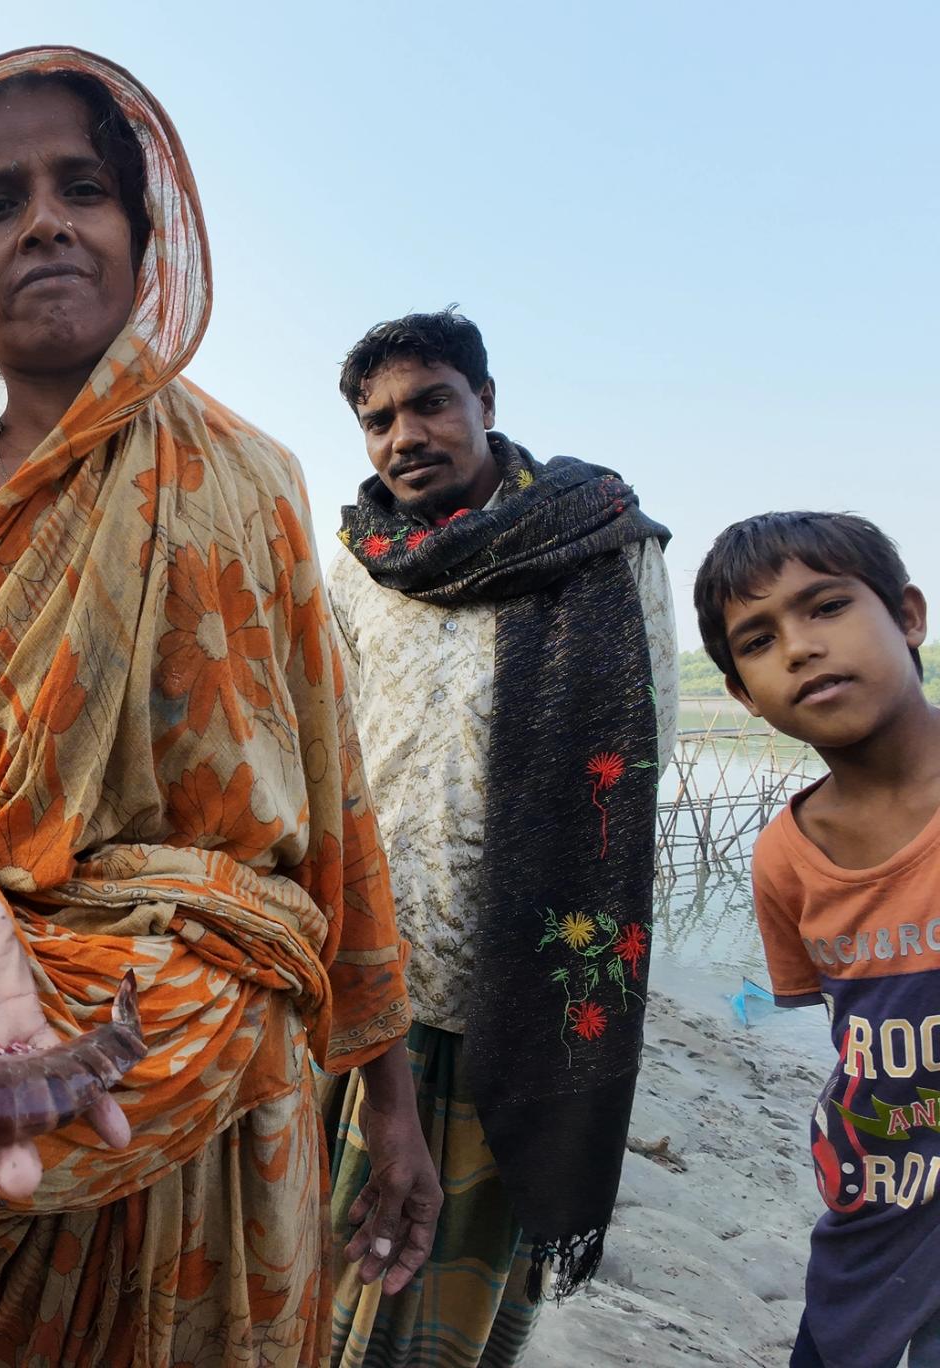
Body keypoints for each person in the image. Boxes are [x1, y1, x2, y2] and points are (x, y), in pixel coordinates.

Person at [0, 47, 434, 1366]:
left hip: (234, 1058)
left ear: (144, 238)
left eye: (82, 188)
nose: (46, 221)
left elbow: (335, 799)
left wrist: (394, 1109)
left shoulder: (251, 480)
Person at [321, 309, 678, 1365]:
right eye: (378, 419)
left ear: (487, 401)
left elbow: (631, 763)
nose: (405, 436)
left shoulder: (602, 539)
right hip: (364, 974)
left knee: (439, 1301)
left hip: (515, 992)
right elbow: (325, 749)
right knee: (322, 1265)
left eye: (431, 401)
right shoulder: (357, 561)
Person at [694, 512, 940, 1368]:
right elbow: (851, 1032)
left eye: (827, 606)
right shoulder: (784, 858)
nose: (799, 647)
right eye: (758, 639)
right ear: (740, 692)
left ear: (907, 617)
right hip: (876, 1204)